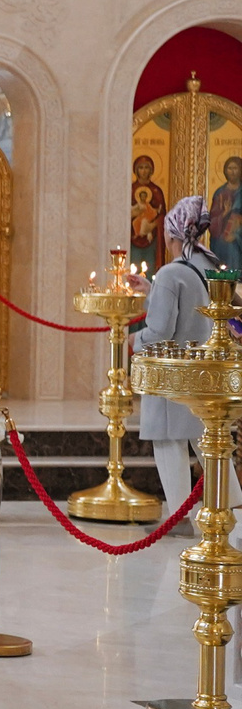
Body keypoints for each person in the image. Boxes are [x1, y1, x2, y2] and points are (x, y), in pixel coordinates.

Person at [135, 194, 214, 510]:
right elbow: (189, 311)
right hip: (203, 370)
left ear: (172, 233)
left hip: (172, 373)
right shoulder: (207, 263)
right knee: (207, 444)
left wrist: (133, 342)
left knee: (168, 441)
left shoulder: (170, 273)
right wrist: (148, 291)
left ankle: (178, 515)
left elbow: (160, 331)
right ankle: (233, 509)